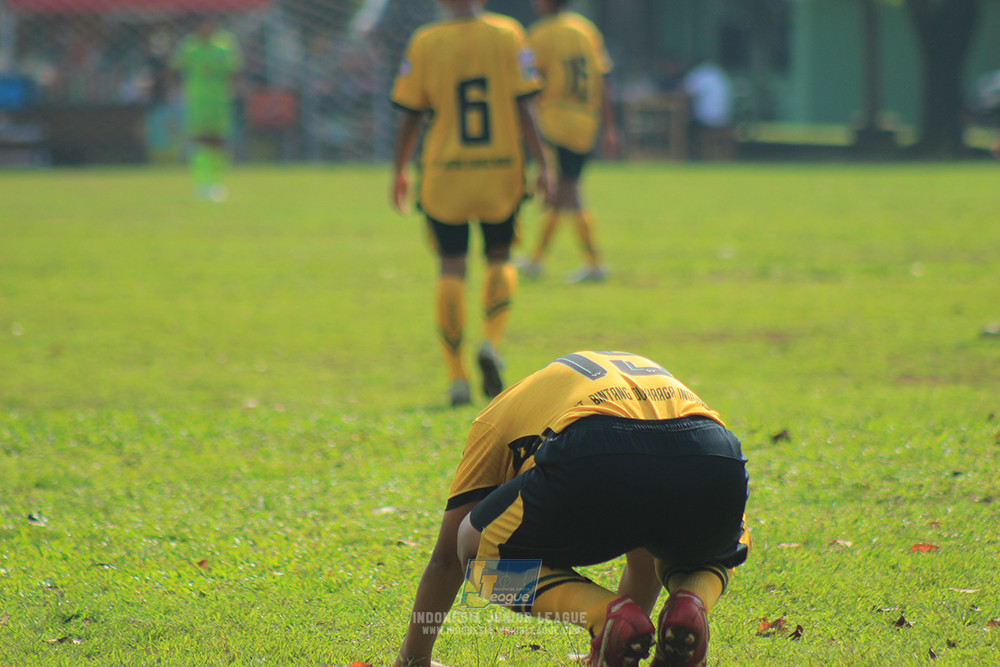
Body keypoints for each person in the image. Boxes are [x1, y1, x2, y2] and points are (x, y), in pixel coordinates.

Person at [393, 350, 751, 667]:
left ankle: (603, 615)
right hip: (713, 450)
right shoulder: (602, 379)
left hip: (596, 447)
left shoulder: (497, 416)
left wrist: (413, 658)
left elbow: (446, 559)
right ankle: (691, 603)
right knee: (721, 537)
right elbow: (643, 552)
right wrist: (623, 638)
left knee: (470, 544)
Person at [390, 0, 552, 407]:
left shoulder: (425, 41)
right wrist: (543, 164)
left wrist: (399, 170)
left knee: (451, 266)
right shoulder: (508, 33)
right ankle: (492, 344)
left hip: (446, 172)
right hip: (500, 168)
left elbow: (410, 113)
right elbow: (525, 105)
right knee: (499, 256)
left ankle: (457, 378)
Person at [519, 0, 618, 284]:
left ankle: (593, 263)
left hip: (556, 120)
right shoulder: (586, 30)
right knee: (562, 192)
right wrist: (610, 127)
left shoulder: (541, 34)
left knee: (567, 191)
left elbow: (529, 82)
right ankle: (537, 259)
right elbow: (604, 80)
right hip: (585, 123)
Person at [171, 17, 242, 202]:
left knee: (219, 143)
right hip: (197, 103)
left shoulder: (225, 46)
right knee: (200, 142)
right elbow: (176, 71)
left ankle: (217, 183)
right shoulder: (189, 47)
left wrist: (233, 94)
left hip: (219, 102)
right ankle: (201, 184)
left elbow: (233, 73)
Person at [681, 60, 733, 160]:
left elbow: (685, 92)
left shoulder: (699, 74)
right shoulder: (720, 74)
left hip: (708, 119)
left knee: (685, 125)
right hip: (725, 117)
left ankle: (691, 155)